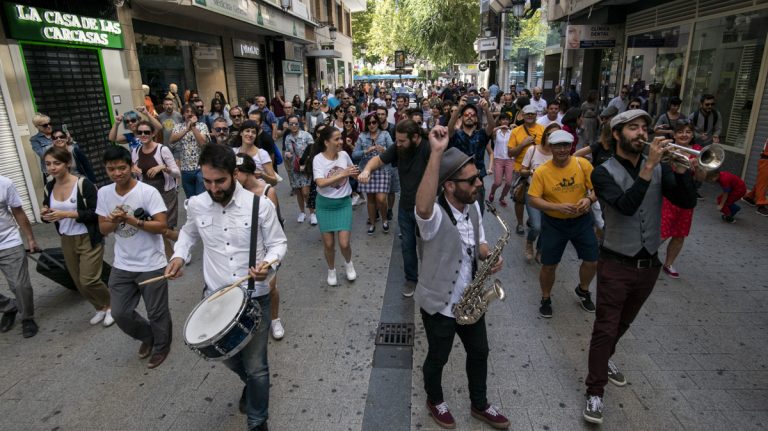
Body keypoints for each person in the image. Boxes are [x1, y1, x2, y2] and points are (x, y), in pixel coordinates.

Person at [584, 109, 697, 425]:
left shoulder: (660, 168)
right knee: (605, 326)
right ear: (617, 134)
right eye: (632, 128)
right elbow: (624, 206)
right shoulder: (602, 172)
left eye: (644, 127)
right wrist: (650, 166)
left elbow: (686, 202)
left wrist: (683, 171)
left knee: (623, 324)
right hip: (616, 261)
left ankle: (603, 360)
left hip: (648, 264)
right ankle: (595, 391)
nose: (641, 133)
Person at [165, 144, 287, 431]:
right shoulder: (196, 203)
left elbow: (278, 243)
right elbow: (188, 232)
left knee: (257, 366)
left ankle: (258, 422)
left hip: (254, 298)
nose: (213, 187)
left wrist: (268, 265)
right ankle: (254, 386)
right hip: (216, 297)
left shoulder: (260, 205)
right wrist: (179, 255)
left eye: (219, 181)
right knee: (225, 357)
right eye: (207, 181)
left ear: (234, 174)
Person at [414, 127, 510, 430]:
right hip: (440, 303)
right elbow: (422, 206)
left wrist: (487, 255)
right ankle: (435, 399)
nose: (480, 183)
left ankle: (479, 404)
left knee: (480, 352)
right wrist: (436, 153)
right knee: (438, 357)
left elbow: (478, 241)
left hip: (470, 300)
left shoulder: (474, 206)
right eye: (472, 180)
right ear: (450, 186)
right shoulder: (434, 216)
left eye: (478, 177)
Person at [96, 146, 171, 369]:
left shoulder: (147, 192)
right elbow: (103, 229)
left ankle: (161, 346)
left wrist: (130, 220)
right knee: (120, 312)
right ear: (106, 170)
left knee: (157, 312)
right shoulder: (104, 193)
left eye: (122, 168)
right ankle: (149, 336)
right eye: (111, 169)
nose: (117, 173)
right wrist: (116, 220)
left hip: (151, 262)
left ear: (131, 167)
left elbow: (162, 226)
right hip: (122, 263)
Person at [527, 130, 598, 318]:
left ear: (571, 147)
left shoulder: (582, 164)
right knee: (549, 265)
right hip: (554, 223)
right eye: (558, 146)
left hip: (581, 221)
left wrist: (589, 200)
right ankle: (546, 297)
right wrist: (556, 207)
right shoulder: (542, 171)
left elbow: (597, 188)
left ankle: (583, 290)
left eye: (566, 145)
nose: (562, 150)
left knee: (592, 259)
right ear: (550, 148)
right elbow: (533, 199)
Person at [41, 147, 113, 326]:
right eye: (48, 164)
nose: (52, 168)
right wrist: (45, 214)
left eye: (57, 163)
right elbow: (47, 210)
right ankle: (100, 308)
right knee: (78, 281)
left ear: (67, 163)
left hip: (88, 236)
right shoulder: (49, 186)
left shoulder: (83, 184)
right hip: (67, 238)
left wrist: (66, 214)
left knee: (89, 279)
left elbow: (96, 213)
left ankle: (112, 305)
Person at [359, 120, 431, 297]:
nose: (397, 144)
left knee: (428, 247)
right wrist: (367, 170)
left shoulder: (428, 148)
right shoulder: (399, 148)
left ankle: (431, 280)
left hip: (429, 209)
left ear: (415, 137)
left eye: (401, 141)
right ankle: (411, 279)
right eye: (396, 141)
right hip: (406, 207)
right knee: (407, 245)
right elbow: (378, 159)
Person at [233, 154, 286, 340]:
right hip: (245, 247)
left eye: (236, 172)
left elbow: (274, 226)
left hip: (265, 247)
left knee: (270, 286)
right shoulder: (234, 193)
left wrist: (270, 257)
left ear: (246, 172)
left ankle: (275, 319)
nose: (233, 177)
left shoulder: (267, 192)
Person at [309, 126, 359, 286]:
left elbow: (352, 171)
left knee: (344, 243)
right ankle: (331, 270)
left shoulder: (344, 155)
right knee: (329, 244)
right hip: (324, 205)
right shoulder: (318, 159)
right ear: (326, 142)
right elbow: (320, 182)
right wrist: (342, 174)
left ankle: (349, 263)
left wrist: (360, 174)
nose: (341, 141)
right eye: (337, 139)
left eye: (341, 138)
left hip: (344, 203)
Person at [660, 120, 706, 278]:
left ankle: (669, 263)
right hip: (668, 196)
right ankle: (646, 257)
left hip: (687, 198)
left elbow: (700, 179)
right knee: (661, 231)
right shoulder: (668, 148)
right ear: (674, 134)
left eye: (688, 131)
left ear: (692, 134)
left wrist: (699, 167)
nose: (684, 135)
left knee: (680, 234)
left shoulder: (699, 151)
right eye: (680, 132)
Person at [130, 121, 181, 258]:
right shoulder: (135, 151)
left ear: (153, 133)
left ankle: (181, 246)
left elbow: (177, 173)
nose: (143, 135)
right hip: (148, 195)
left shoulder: (162, 150)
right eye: (140, 132)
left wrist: (163, 167)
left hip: (165, 193)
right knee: (157, 227)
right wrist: (133, 170)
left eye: (147, 132)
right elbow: (134, 172)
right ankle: (169, 254)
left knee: (166, 228)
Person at [0, 175, 40, 337]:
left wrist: (30, 238)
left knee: (20, 285)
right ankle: (9, 306)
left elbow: (18, 211)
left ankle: (27, 317)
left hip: (8, 241)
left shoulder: (5, 184)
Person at [448, 95, 495, 214]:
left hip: (477, 182)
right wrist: (459, 108)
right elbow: (449, 129)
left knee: (477, 214)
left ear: (477, 119)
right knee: (457, 214)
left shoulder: (482, 135)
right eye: (466, 114)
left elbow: (492, 126)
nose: (469, 116)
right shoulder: (456, 135)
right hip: (458, 181)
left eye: (473, 115)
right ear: (462, 118)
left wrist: (486, 109)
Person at [520, 123, 559, 262]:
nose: (552, 138)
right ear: (545, 135)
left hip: (552, 195)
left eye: (556, 135)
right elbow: (522, 170)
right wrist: (531, 172)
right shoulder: (533, 150)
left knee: (547, 226)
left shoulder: (560, 155)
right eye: (550, 134)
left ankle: (540, 250)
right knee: (537, 226)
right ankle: (530, 242)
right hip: (533, 193)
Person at [507, 105, 544, 234]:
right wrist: (523, 143)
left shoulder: (542, 130)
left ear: (536, 115)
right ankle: (520, 223)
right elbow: (510, 153)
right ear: (522, 115)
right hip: (519, 170)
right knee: (519, 198)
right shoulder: (516, 131)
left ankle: (533, 219)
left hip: (538, 171)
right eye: (527, 113)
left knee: (538, 197)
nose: (530, 116)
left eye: (532, 114)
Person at [354, 114, 393, 235]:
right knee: (370, 198)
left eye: (374, 122)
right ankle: (372, 223)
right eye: (369, 122)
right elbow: (355, 155)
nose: (372, 125)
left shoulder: (385, 134)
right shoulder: (362, 136)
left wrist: (385, 151)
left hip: (383, 170)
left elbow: (394, 151)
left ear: (378, 123)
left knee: (381, 198)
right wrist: (366, 150)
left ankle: (385, 220)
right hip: (367, 171)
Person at [170, 103, 210, 198]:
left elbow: (203, 144)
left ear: (196, 114)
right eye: (187, 112)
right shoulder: (178, 127)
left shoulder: (202, 126)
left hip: (200, 169)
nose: (189, 114)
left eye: (192, 112)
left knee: (202, 198)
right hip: (185, 170)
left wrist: (193, 127)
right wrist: (186, 130)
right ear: (183, 114)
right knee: (191, 200)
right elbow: (171, 140)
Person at [283, 115, 314, 222]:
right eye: (291, 124)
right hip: (294, 169)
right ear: (288, 125)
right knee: (299, 192)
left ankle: (312, 213)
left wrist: (306, 163)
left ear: (299, 123)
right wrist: (287, 154)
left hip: (305, 169)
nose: (294, 126)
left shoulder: (306, 135)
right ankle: (302, 212)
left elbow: (312, 151)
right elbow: (287, 151)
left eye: (296, 123)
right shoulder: (287, 138)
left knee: (306, 192)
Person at [487, 112, 514, 206]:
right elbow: (491, 132)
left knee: (509, 183)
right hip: (498, 158)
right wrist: (500, 127)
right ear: (500, 121)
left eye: (507, 119)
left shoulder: (512, 132)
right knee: (498, 182)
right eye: (503, 119)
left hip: (510, 159)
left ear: (509, 121)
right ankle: (492, 192)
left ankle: (502, 197)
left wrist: (511, 128)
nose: (505, 121)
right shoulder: (497, 132)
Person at [743, 138, 768, 216]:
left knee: (761, 182)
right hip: (766, 161)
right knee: (762, 183)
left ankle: (750, 197)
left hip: (765, 160)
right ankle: (761, 206)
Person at [30, 112, 53, 181]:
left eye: (50, 124)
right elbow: (43, 155)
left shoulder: (57, 135)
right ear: (38, 127)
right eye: (45, 125)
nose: (49, 126)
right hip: (50, 172)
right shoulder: (35, 139)